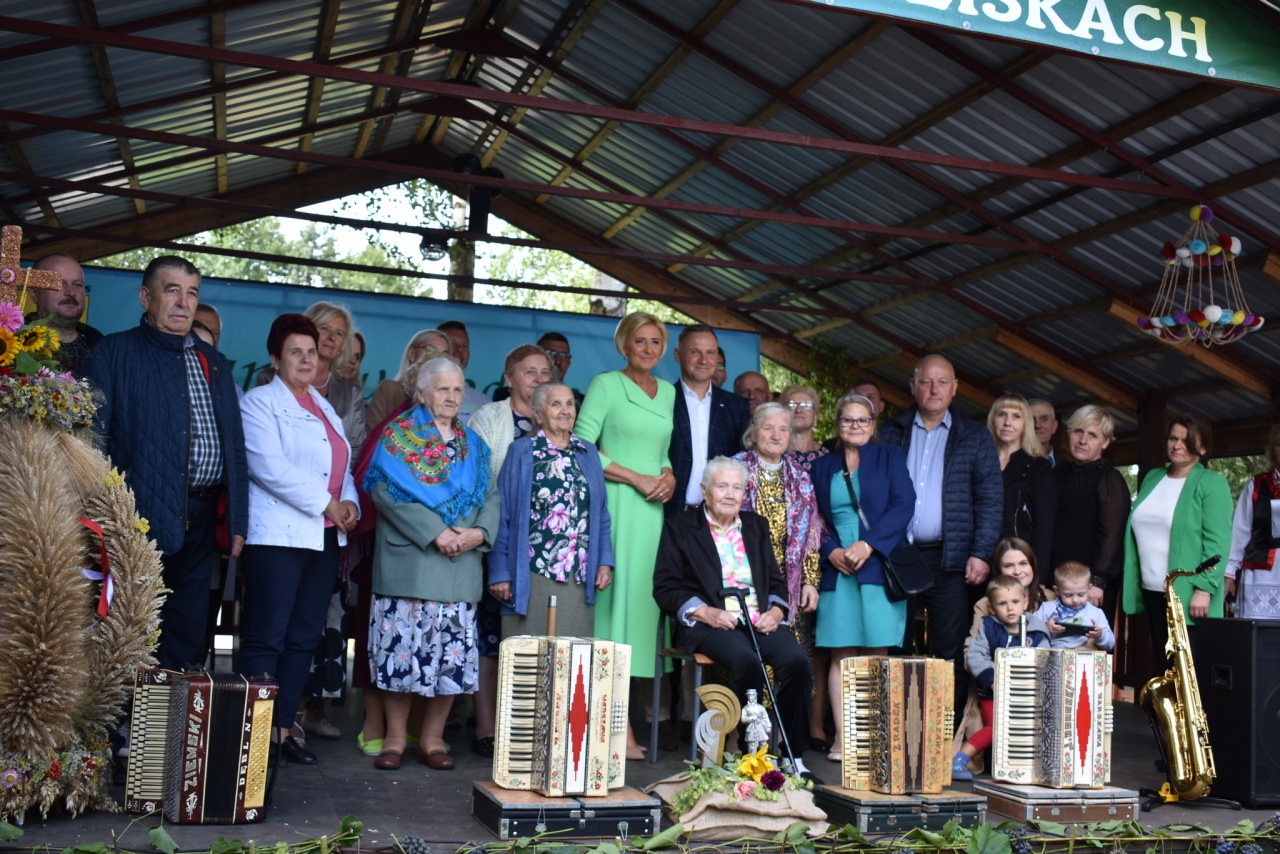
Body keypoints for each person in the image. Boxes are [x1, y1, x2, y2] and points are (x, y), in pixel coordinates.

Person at [85, 255, 247, 672]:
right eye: (171, 290)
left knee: (186, 633)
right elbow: (91, 443)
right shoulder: (112, 353)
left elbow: (235, 445)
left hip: (203, 516)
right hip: (136, 518)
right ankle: (116, 732)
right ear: (145, 297)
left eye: (191, 293)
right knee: (128, 631)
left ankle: (168, 734)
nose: (182, 302)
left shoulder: (214, 363)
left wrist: (239, 523)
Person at [364, 357, 498, 771]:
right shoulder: (398, 436)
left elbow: (491, 497)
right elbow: (385, 492)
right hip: (412, 561)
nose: (451, 397)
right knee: (400, 658)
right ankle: (393, 739)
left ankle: (434, 740)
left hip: (460, 567)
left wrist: (478, 533)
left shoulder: (474, 444)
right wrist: (435, 532)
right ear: (421, 393)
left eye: (457, 389)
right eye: (442, 389)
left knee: (449, 662)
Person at [237, 314, 359, 766]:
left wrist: (349, 505)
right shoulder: (259, 402)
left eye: (311, 351)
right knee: (267, 636)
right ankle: (253, 735)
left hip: (324, 539)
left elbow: (340, 464)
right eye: (295, 352)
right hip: (277, 539)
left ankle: (284, 729)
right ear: (275, 358)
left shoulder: (323, 405)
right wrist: (327, 504)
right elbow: (268, 467)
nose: (306, 359)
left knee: (303, 637)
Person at [652, 456, 817, 780]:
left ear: (745, 492)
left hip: (758, 619)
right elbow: (665, 586)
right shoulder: (680, 527)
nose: (730, 494)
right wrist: (705, 611)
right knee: (747, 662)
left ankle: (793, 757)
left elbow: (774, 581)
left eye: (737, 487)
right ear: (704, 490)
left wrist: (776, 610)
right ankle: (750, 754)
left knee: (798, 663)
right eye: (722, 486)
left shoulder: (756, 526)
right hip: (712, 622)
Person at [575, 311, 676, 758]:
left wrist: (669, 475)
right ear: (623, 344)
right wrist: (635, 478)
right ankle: (613, 728)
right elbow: (580, 446)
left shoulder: (669, 392)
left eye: (657, 341)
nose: (649, 349)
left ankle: (622, 723)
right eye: (641, 340)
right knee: (611, 612)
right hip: (616, 506)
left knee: (640, 613)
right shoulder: (605, 384)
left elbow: (665, 450)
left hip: (653, 514)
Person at [879, 355, 1002, 706]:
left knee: (949, 649)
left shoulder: (976, 436)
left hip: (951, 558)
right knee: (893, 643)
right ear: (913, 387)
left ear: (955, 389)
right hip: (896, 556)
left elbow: (990, 499)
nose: (934, 390)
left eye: (942, 382)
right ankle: (895, 728)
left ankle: (944, 735)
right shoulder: (890, 431)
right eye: (926, 382)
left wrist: (981, 553)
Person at [811, 393, 914, 762]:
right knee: (842, 653)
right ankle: (844, 738)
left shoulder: (890, 457)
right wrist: (831, 551)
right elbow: (813, 518)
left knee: (876, 653)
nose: (855, 426)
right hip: (838, 568)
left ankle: (874, 737)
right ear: (837, 425)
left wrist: (868, 545)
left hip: (877, 563)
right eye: (848, 420)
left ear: (873, 425)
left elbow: (904, 505)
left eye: (863, 420)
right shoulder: (822, 467)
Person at [467, 344, 554, 758]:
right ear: (509, 378)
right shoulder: (491, 417)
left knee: (534, 636)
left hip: (546, 552)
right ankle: (487, 729)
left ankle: (526, 731)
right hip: (499, 545)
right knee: (491, 639)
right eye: (529, 372)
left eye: (544, 372)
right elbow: (480, 478)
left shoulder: (558, 418)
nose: (538, 379)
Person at [490, 381, 614, 637]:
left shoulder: (587, 452)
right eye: (555, 404)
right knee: (529, 657)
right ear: (538, 414)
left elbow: (600, 513)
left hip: (579, 573)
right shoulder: (523, 452)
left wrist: (604, 562)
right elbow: (502, 515)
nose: (565, 410)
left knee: (572, 659)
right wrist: (500, 571)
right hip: (533, 571)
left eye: (570, 404)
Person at [733, 402, 824, 748]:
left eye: (782, 429)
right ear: (753, 432)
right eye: (767, 428)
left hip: (786, 588)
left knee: (792, 667)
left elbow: (812, 536)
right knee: (747, 665)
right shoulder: (733, 469)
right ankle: (738, 744)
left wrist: (811, 581)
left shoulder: (801, 477)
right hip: (741, 584)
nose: (775, 435)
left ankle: (785, 749)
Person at [1122, 414, 1232, 653]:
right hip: (1153, 591)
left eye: (1186, 440)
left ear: (1202, 448)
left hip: (1189, 596)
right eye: (1173, 438)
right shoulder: (1153, 476)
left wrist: (1204, 589)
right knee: (1166, 668)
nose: (1177, 445)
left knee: (1191, 675)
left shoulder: (1212, 483)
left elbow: (1218, 544)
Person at [952, 536, 1053, 777]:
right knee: (1000, 725)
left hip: (1034, 691)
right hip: (994, 690)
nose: (1017, 571)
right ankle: (961, 758)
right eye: (1009, 566)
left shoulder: (1049, 604)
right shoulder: (988, 614)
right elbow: (973, 652)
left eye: (1023, 563)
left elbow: (1049, 655)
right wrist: (997, 676)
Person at [1051, 405, 1130, 626]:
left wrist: (1098, 581)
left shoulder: (1109, 479)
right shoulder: (1057, 474)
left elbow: (1112, 535)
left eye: (1092, 435)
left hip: (1091, 584)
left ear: (1105, 442)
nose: (1083, 440)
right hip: (1057, 578)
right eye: (1078, 431)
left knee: (1089, 648)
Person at [668, 325, 749, 519]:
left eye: (710, 353)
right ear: (678, 355)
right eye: (695, 352)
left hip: (721, 518)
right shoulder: (662, 399)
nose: (704, 360)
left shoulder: (737, 406)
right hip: (671, 514)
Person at [987, 394, 1055, 575]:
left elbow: (1044, 529)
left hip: (1020, 566)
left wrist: (1038, 578)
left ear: (1026, 424)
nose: (1008, 422)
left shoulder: (1039, 468)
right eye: (1002, 415)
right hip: (981, 562)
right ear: (993, 420)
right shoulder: (979, 462)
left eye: (1016, 416)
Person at [1226, 423, 1280, 619]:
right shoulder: (1256, 485)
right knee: (1258, 637)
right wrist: (1230, 573)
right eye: (1279, 444)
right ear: (1273, 450)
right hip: (1261, 573)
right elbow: (1239, 532)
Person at [303, 302, 365, 461]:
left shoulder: (352, 392)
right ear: (307, 330)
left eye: (339, 333)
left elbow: (356, 449)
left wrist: (341, 482)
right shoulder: (273, 379)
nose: (332, 337)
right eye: (325, 328)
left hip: (339, 483)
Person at [28, 253, 102, 375]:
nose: (71, 292)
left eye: (77, 285)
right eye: (59, 284)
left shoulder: (99, 343)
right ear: (35, 293)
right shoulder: (12, 338)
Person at [366, 329, 452, 429]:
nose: (437, 358)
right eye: (430, 350)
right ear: (411, 353)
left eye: (444, 355)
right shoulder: (389, 390)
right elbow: (373, 436)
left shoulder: (448, 398)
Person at [1037, 561, 1114, 651]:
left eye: (1081, 594)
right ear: (1057, 590)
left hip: (1082, 655)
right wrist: (1045, 628)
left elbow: (1110, 644)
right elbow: (1029, 632)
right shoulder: (1046, 608)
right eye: (1068, 595)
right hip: (1053, 653)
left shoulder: (1095, 613)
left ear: (1089, 589)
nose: (1075, 600)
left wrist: (1100, 635)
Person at [439, 320, 490, 425]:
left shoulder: (484, 402)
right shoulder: (422, 395)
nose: (459, 350)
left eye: (464, 345)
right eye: (452, 344)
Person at [780, 385, 827, 469]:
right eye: (791, 405)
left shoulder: (826, 457)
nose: (798, 410)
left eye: (806, 405)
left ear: (815, 417)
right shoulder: (773, 452)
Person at [1029, 399, 1059, 467]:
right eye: (1031, 419)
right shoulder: (1010, 462)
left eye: (1044, 419)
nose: (1037, 425)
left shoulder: (1067, 470)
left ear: (1054, 426)